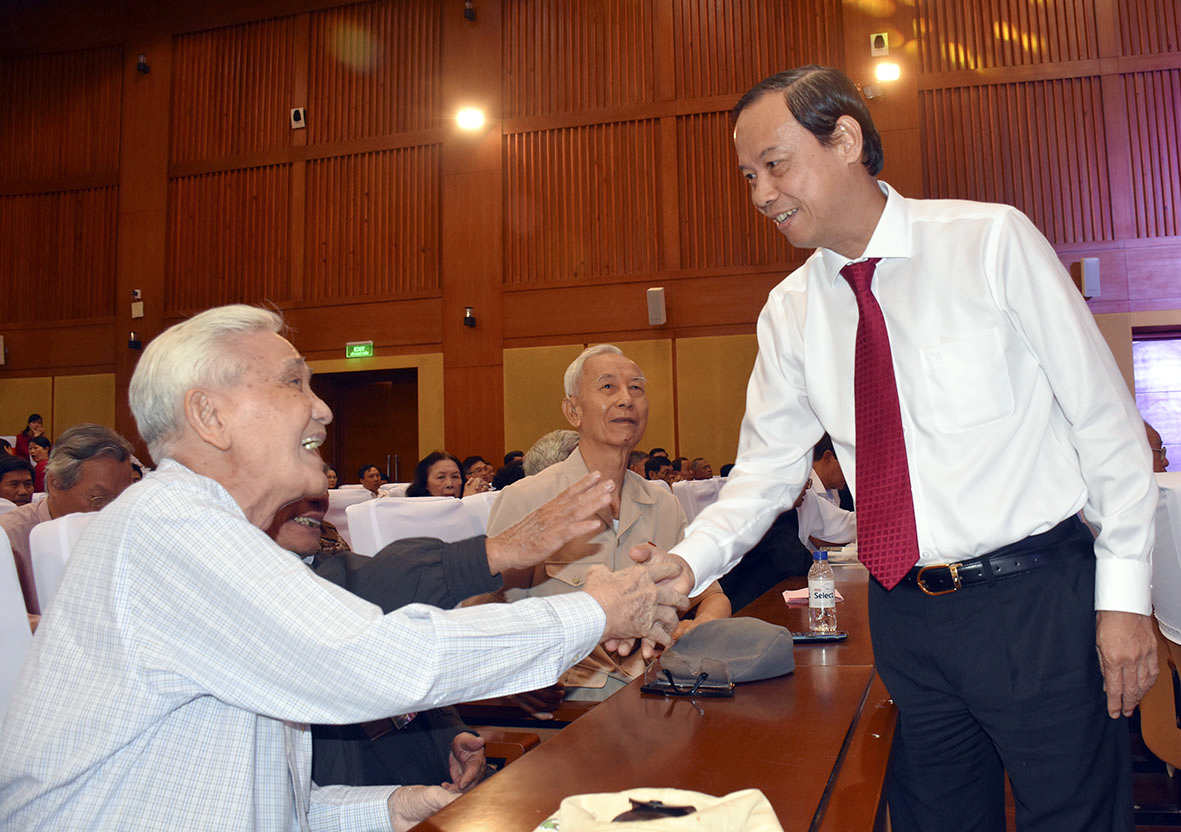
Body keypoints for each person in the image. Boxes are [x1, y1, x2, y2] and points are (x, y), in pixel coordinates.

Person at [637, 66, 1157, 832]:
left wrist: (1123, 601)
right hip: (905, 616)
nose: (760, 195)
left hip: (1035, 601)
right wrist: (686, 565)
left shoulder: (989, 241)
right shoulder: (790, 311)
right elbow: (763, 475)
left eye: (774, 165)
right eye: (747, 176)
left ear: (844, 138)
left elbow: (1104, 424)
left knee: (1073, 818)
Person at [0, 305, 687, 831]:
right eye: (294, 382)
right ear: (208, 415)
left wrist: (390, 805)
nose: (324, 407)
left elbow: (268, 803)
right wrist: (595, 611)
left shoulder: (217, 536)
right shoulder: (170, 528)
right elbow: (376, 661)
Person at [487, 344, 730, 701]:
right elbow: (485, 611)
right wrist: (514, 680)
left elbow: (713, 595)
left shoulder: (663, 504)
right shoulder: (527, 499)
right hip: (568, 706)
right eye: (608, 387)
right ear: (573, 411)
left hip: (659, 693)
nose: (626, 399)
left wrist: (701, 626)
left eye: (636, 388)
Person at [0, 423, 135, 617]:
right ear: (55, 484)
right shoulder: (10, 537)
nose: (112, 511)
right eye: (100, 499)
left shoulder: (128, 530)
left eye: (124, 499)